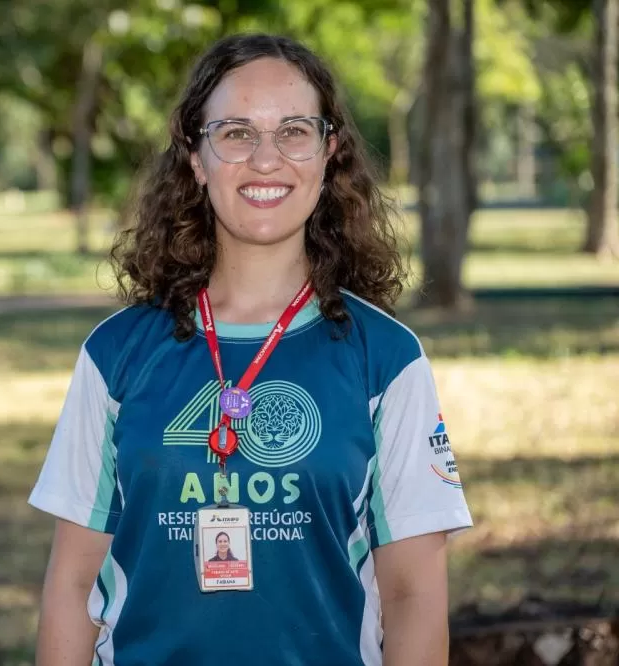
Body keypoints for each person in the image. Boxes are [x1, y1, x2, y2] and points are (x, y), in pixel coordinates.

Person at [28, 32, 473, 666]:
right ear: (195, 156)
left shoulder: (386, 358)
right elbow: (74, 586)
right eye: (236, 133)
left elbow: (413, 598)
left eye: (294, 131)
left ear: (329, 152)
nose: (267, 159)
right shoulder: (116, 353)